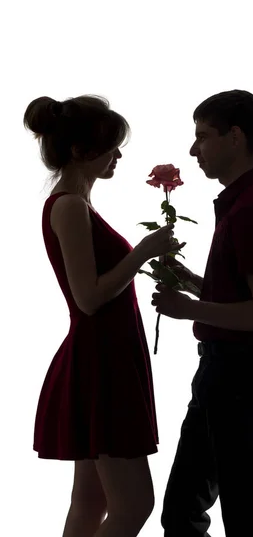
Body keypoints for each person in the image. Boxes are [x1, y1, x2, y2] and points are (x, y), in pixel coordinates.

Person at [24, 94, 184, 537]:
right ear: (80, 152)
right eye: (112, 145)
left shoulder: (75, 204)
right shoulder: (69, 207)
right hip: (102, 362)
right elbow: (89, 298)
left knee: (90, 502)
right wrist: (144, 252)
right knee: (135, 504)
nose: (118, 155)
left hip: (105, 357)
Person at [152, 89, 253, 537]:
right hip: (229, 375)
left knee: (240, 515)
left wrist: (190, 308)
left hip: (239, 377)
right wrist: (194, 282)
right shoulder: (247, 202)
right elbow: (250, 296)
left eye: (202, 136)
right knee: (188, 510)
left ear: (235, 137)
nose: (193, 150)